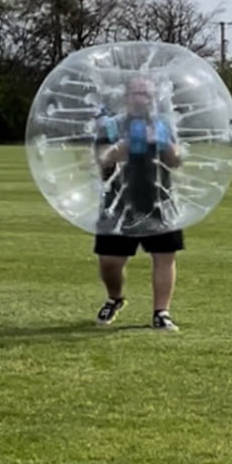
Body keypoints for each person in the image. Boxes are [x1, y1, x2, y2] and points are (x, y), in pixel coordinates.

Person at [91, 72, 184, 330]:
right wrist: (123, 148)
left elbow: (176, 162)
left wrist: (164, 145)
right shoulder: (110, 126)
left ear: (154, 98)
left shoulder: (163, 124)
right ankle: (115, 298)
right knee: (110, 262)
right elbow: (102, 163)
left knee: (164, 256)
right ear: (126, 97)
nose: (142, 99)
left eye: (147, 94)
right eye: (137, 93)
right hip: (118, 202)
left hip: (158, 200)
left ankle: (161, 312)